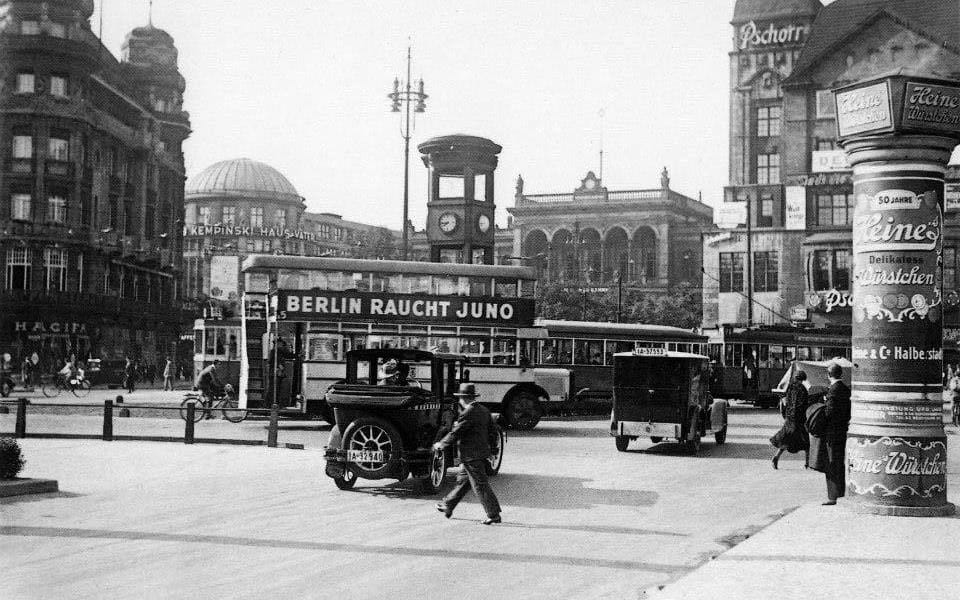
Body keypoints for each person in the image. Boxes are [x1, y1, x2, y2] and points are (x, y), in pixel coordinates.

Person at [434, 383, 503, 525]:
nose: (459, 400)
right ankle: (448, 505)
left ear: (463, 398)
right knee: (463, 483)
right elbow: (492, 431)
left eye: (460, 398)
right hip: (479, 454)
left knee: (480, 485)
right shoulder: (484, 410)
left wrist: (442, 444)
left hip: (471, 455)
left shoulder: (468, 412)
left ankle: (493, 514)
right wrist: (491, 450)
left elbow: (457, 432)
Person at [809, 362, 851, 506]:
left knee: (831, 463)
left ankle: (832, 496)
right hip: (842, 431)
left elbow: (830, 413)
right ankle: (841, 492)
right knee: (839, 462)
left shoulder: (833, 390)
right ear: (841, 374)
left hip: (832, 433)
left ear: (828, 375)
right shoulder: (846, 389)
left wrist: (823, 406)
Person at [770, 370, 809, 469]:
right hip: (799, 420)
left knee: (785, 440)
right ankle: (807, 462)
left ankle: (776, 457)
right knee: (806, 441)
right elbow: (802, 405)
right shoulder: (802, 389)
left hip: (789, 418)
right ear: (803, 379)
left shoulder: (790, 388)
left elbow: (787, 403)